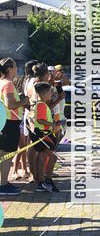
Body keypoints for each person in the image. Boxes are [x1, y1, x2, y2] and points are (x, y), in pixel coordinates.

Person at [0, 58, 29, 196]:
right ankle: (4, 184)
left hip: (4, 121)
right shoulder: (8, 84)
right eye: (15, 66)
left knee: (3, 153)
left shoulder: (1, 82)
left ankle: (4, 182)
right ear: (9, 69)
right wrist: (23, 101)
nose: (17, 68)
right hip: (10, 122)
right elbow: (9, 104)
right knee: (7, 154)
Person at [28, 81, 60, 192]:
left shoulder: (42, 104)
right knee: (52, 157)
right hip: (42, 135)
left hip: (43, 134)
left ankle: (41, 181)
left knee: (42, 156)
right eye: (50, 92)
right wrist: (52, 125)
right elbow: (40, 120)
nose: (51, 95)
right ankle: (47, 179)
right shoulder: (41, 104)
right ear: (45, 93)